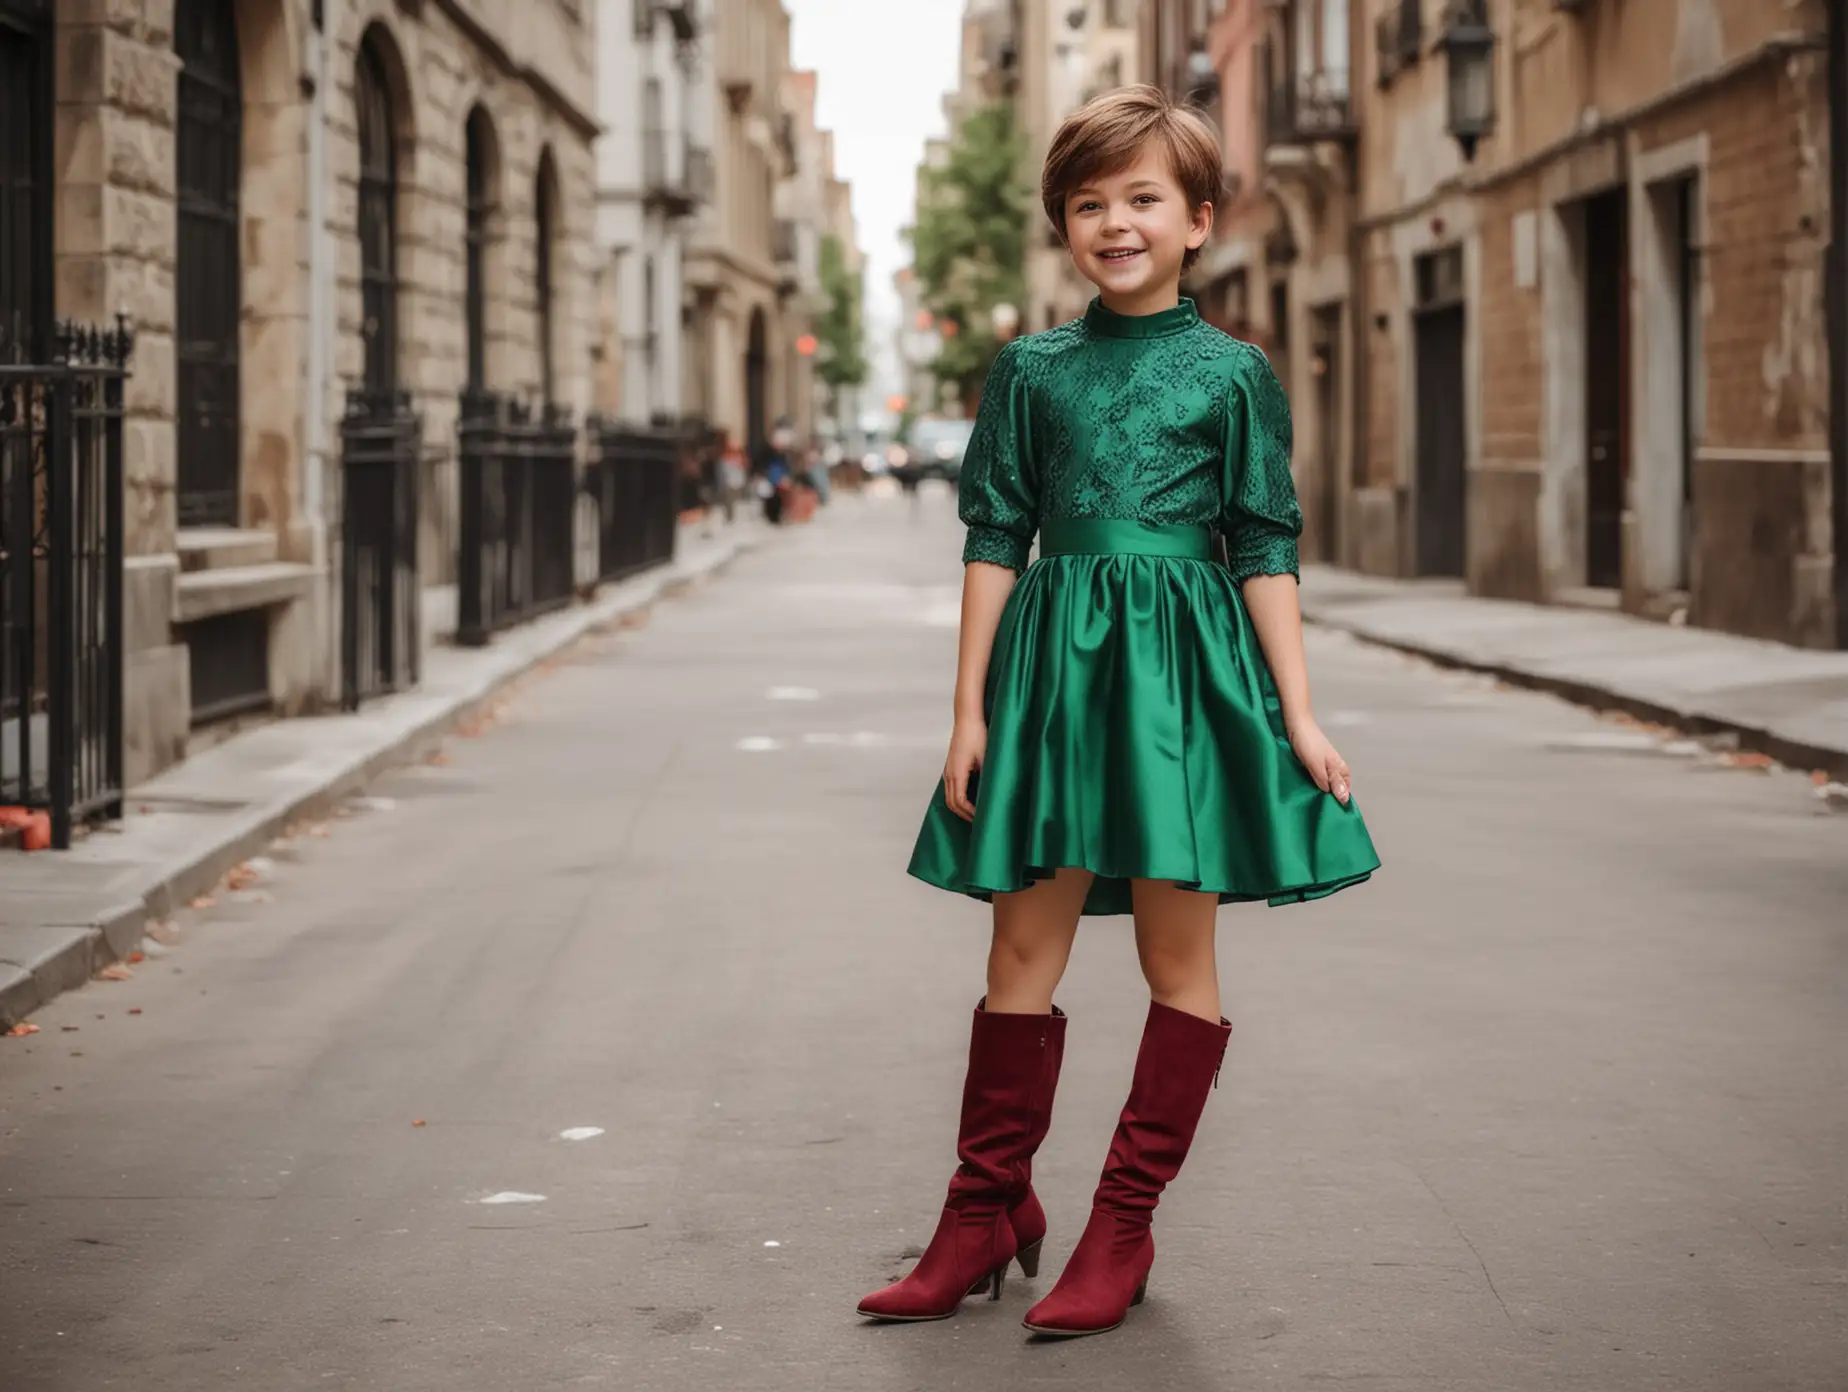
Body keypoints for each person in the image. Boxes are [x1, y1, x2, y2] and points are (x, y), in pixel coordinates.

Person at [856, 85, 1380, 1338]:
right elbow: (995, 535)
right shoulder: (1030, 368)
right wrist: (968, 711)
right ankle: (981, 1210)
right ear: (1065, 226)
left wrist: (1299, 715)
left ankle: (1122, 1225)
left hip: (1184, 685)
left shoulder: (1235, 374)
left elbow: (1263, 543)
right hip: (1050, 674)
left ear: (1199, 219)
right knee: (1019, 951)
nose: (1115, 221)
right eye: (1089, 203)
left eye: (1143, 198)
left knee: (1174, 956)